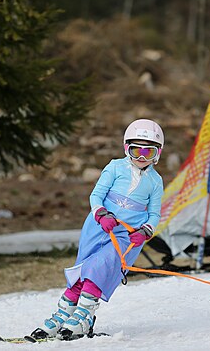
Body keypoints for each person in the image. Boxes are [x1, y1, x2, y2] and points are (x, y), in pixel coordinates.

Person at [30, 119, 165, 339]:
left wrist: (145, 230)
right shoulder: (114, 167)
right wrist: (101, 213)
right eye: (135, 150)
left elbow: (155, 214)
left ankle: (83, 316)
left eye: (147, 152)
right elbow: (96, 195)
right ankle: (62, 316)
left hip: (125, 236)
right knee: (82, 270)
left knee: (98, 268)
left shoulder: (155, 181)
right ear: (126, 148)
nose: (141, 157)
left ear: (157, 153)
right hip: (97, 226)